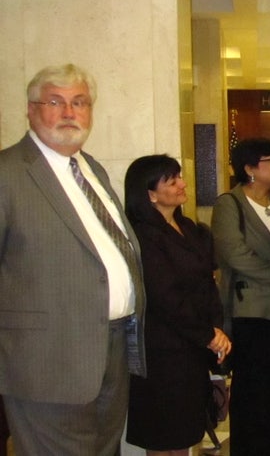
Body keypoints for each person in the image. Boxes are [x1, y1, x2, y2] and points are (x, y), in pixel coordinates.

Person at [0, 64, 146, 454]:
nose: (69, 112)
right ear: (31, 110)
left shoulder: (91, 168)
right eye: (56, 101)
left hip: (110, 350)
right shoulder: (8, 173)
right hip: (45, 362)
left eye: (79, 102)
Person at [123, 155, 230, 455]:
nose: (183, 184)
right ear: (150, 194)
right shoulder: (143, 235)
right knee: (162, 434)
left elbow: (209, 282)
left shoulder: (188, 227)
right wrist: (207, 334)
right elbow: (164, 296)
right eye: (172, 181)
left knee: (186, 431)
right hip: (162, 350)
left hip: (193, 348)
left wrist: (216, 328)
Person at [212, 138, 270, 455]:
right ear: (248, 168)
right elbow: (234, 254)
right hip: (251, 313)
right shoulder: (229, 205)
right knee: (254, 400)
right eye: (269, 160)